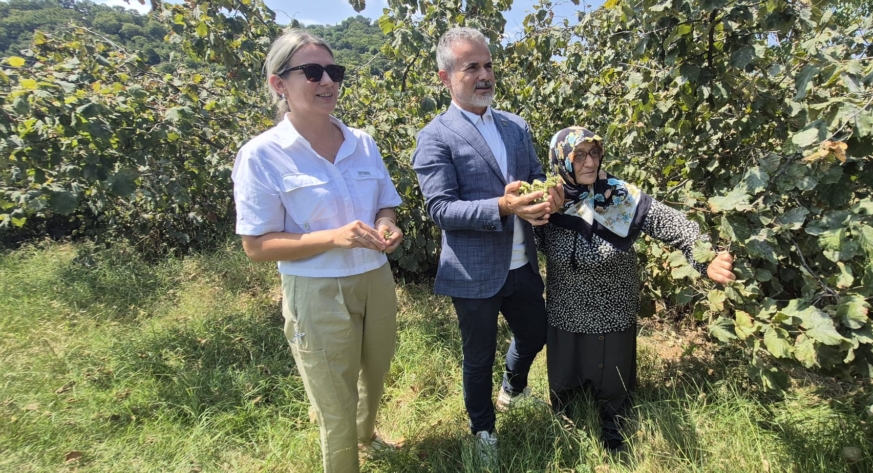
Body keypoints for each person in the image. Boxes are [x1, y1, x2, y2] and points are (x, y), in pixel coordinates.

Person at [231, 29, 404, 473]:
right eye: (312, 71)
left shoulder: (362, 142)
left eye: (333, 71)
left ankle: (365, 439)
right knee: (333, 397)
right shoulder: (262, 155)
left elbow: (385, 201)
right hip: (316, 289)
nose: (327, 81)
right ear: (278, 84)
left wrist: (386, 223)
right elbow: (257, 245)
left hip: (375, 278)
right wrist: (335, 237)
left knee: (375, 372)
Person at [411, 27, 563, 464]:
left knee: (536, 332)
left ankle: (513, 388)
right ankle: (483, 430)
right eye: (471, 67)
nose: (484, 75)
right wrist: (503, 206)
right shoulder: (436, 136)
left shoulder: (516, 127)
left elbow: (538, 176)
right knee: (478, 356)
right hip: (473, 270)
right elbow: (440, 209)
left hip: (521, 263)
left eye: (488, 65)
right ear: (445, 78)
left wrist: (546, 200)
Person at [535, 126, 736, 454]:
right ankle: (566, 430)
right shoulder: (550, 199)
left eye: (595, 152)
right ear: (561, 161)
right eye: (579, 155)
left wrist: (706, 258)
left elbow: (673, 224)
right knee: (564, 383)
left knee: (612, 384)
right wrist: (536, 215)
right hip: (564, 310)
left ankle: (615, 436)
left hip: (611, 310)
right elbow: (525, 245)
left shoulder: (619, 196)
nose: (590, 162)